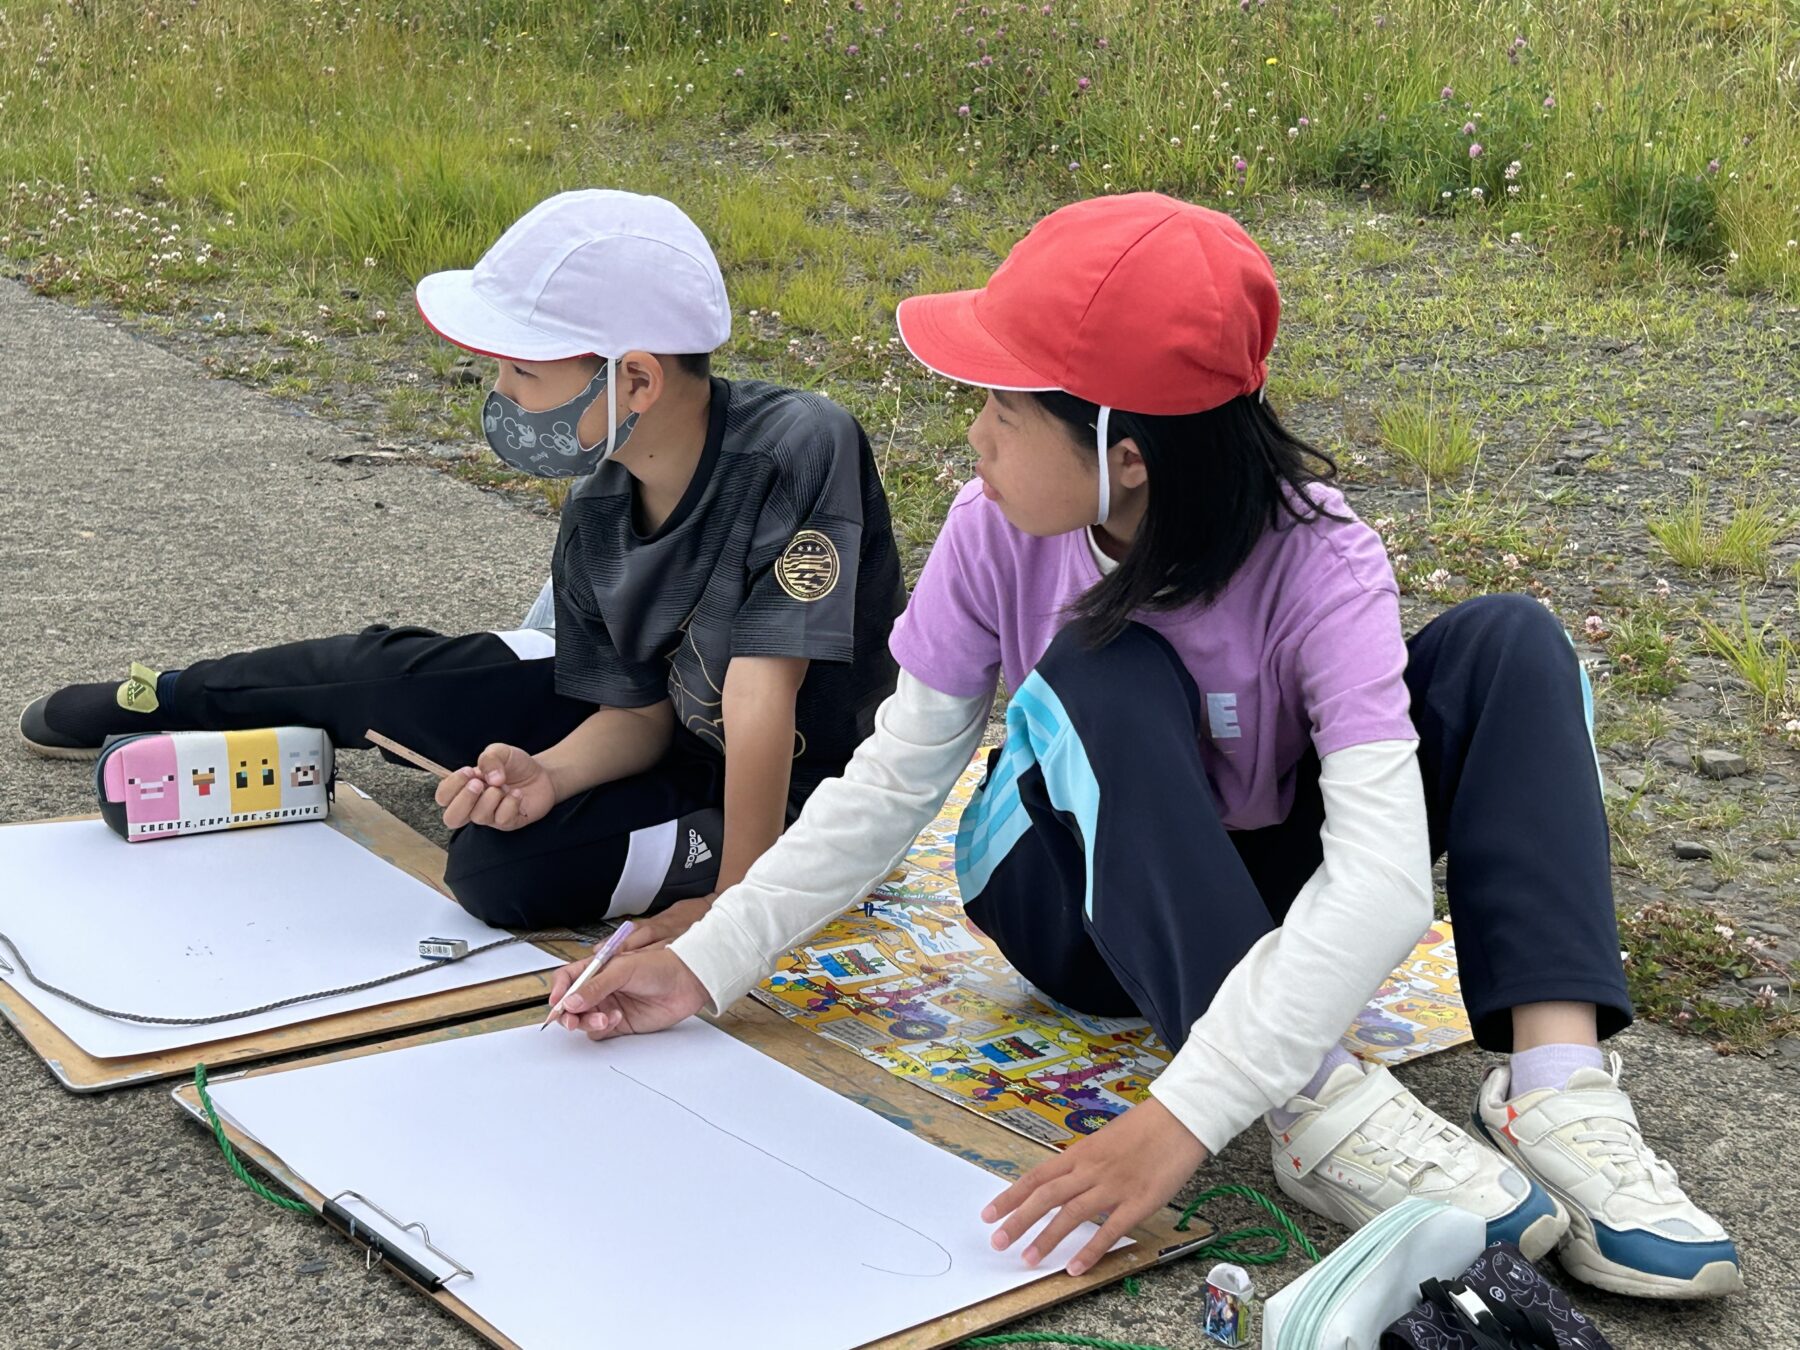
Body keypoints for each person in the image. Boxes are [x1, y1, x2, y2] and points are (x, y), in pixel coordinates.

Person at [541, 194, 1742, 1300]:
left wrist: (1175, 1118)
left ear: (1127, 453)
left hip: (1253, 886)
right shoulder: (993, 531)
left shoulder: (1319, 554)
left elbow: (1378, 876)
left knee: (1511, 643)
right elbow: (895, 776)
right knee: (1104, 663)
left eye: (1005, 411)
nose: (976, 438)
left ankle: (1556, 1092)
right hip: (1068, 899)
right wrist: (716, 956)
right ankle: (1314, 1106)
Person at [19, 190, 906, 942]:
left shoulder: (797, 444)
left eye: (523, 369)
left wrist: (737, 914)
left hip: (789, 789)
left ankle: (741, 859)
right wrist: (548, 773)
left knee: (495, 873)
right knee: (383, 679)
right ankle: (174, 698)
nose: (502, 395)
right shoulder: (601, 494)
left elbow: (759, 698)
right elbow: (632, 713)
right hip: (666, 730)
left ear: (635, 380)